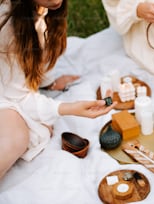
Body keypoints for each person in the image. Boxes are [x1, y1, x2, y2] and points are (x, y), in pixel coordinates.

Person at [0, 0, 117, 180]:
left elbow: (38, 54)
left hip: (11, 83)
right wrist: (68, 108)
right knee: (16, 139)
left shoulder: (44, 11)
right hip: (5, 90)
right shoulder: (7, 26)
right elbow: (17, 96)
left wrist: (49, 83)